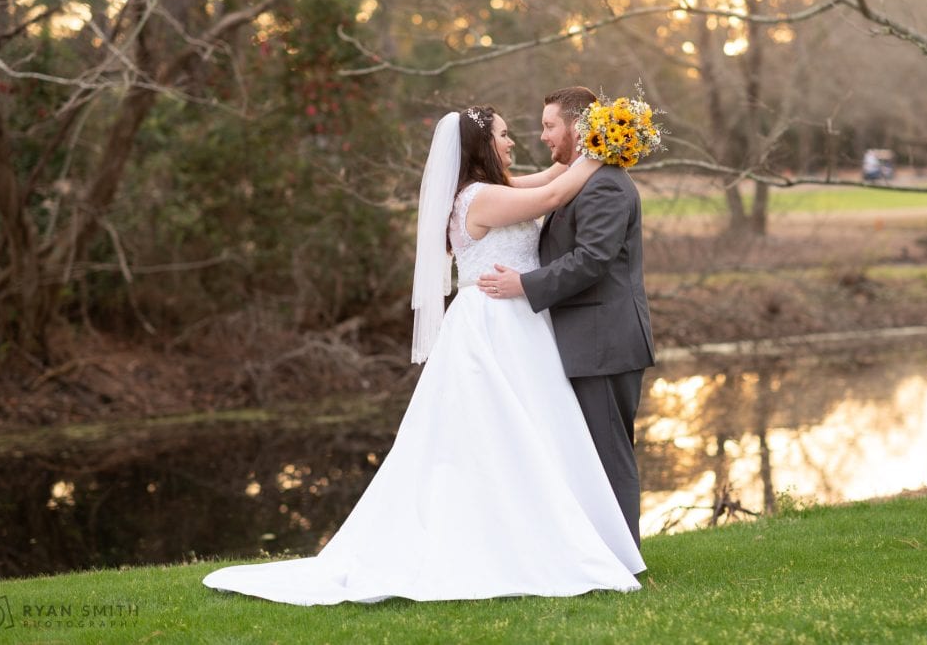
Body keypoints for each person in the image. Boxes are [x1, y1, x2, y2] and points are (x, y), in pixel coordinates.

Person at [202, 106, 645, 606]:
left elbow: (550, 175)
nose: (513, 142)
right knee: (502, 437)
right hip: (495, 325)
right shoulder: (479, 197)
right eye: (503, 135)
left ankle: (561, 535)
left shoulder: (493, 188)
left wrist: (609, 141)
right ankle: (521, 545)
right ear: (481, 146)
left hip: (519, 325)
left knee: (535, 434)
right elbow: (551, 194)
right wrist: (603, 149)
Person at [478, 87, 655, 547]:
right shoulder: (583, 178)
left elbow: (593, 259)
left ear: (577, 127)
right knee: (587, 456)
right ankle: (592, 553)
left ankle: (624, 559)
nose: (542, 136)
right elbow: (539, 186)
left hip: (605, 342)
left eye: (549, 126)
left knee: (609, 455)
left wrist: (525, 285)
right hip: (584, 341)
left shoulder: (607, 185)